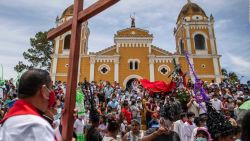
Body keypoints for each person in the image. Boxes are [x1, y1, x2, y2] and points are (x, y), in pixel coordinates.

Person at [0, 69, 56, 141]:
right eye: (50, 88)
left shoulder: (10, 120)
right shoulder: (36, 125)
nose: (51, 92)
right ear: (44, 90)